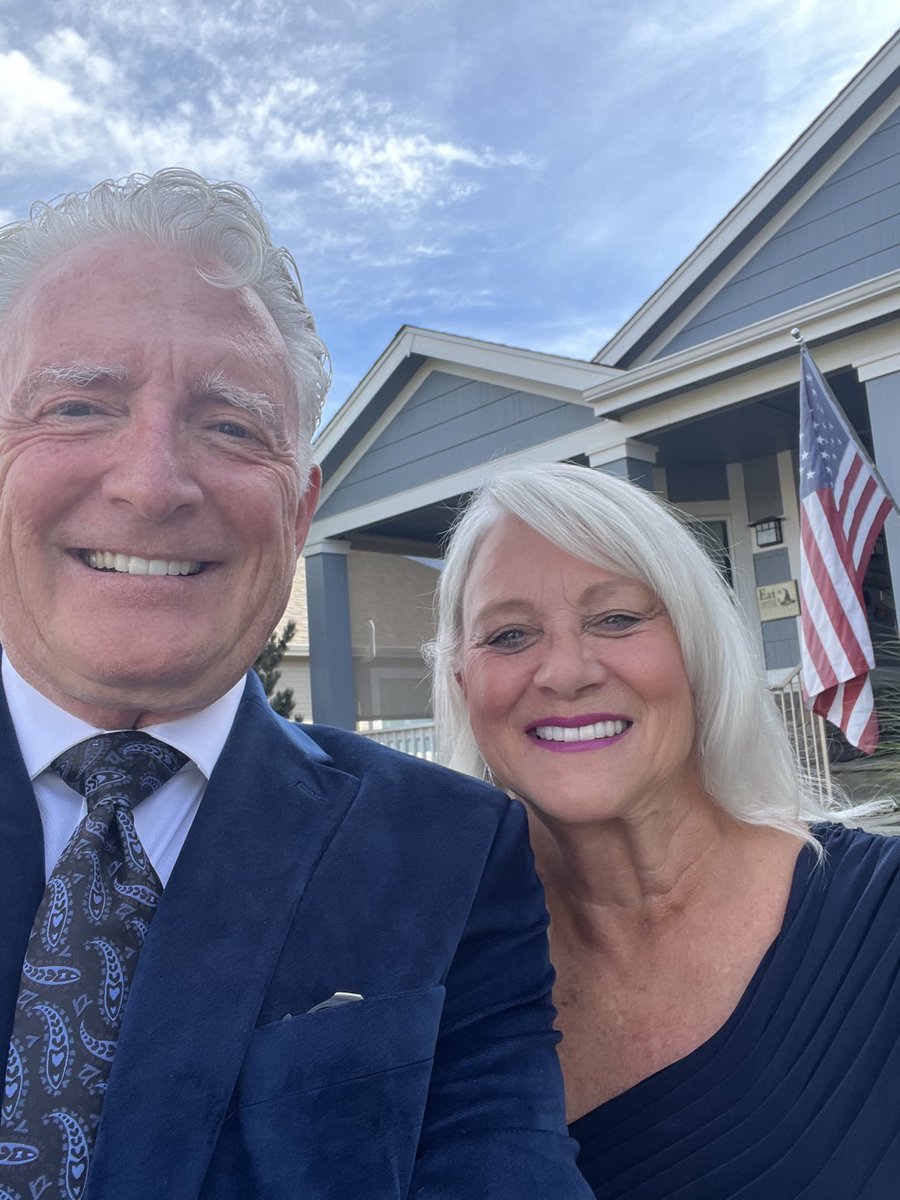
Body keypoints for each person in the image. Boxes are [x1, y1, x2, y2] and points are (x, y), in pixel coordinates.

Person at [0, 173, 592, 1200]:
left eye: (231, 427)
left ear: (303, 506)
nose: (152, 481)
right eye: (79, 405)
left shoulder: (453, 856)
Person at [429, 460, 900, 1200]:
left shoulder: (884, 916)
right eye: (510, 634)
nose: (565, 671)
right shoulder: (436, 980)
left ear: (696, 646)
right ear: (463, 680)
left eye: (615, 618)